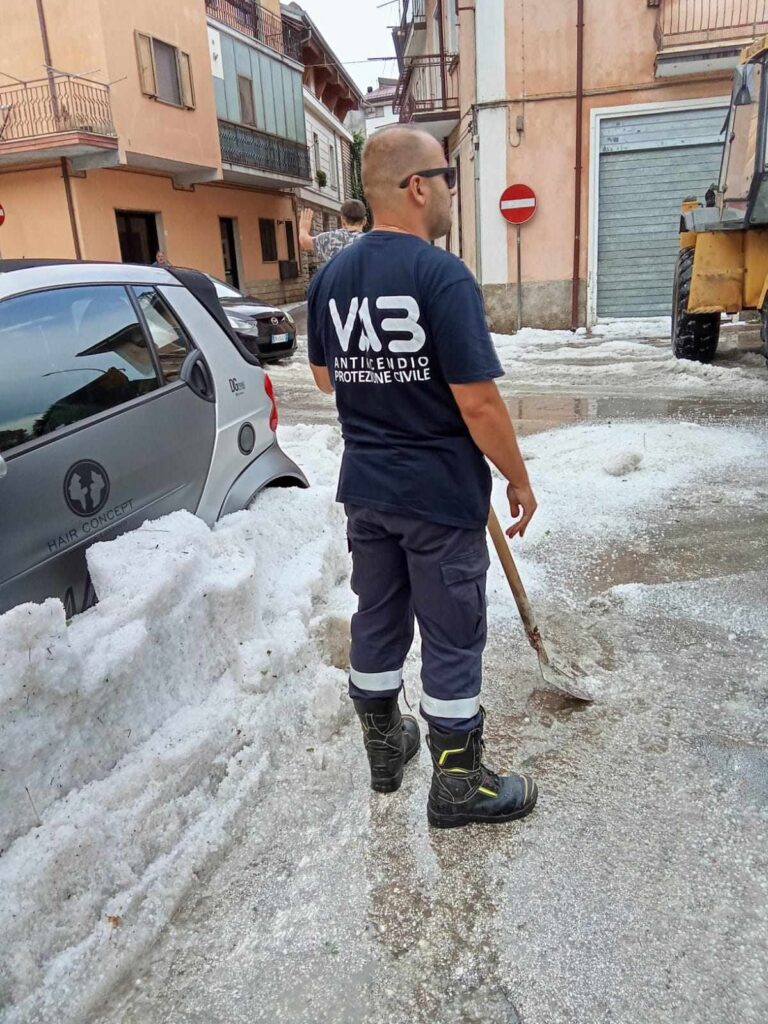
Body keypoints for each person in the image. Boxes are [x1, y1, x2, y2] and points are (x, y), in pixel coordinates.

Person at [306, 126, 539, 829]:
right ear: (416, 187)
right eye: (445, 179)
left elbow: (324, 378)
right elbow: (477, 401)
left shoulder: (330, 280)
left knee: (378, 618)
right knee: (452, 634)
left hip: (368, 492)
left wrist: (380, 379)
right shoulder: (441, 276)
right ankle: (460, 788)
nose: (448, 193)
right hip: (438, 498)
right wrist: (518, 478)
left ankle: (387, 752)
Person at [299, 199, 366, 263]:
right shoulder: (371, 241)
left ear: (342, 220)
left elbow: (304, 241)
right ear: (364, 221)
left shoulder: (329, 238)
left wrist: (303, 228)